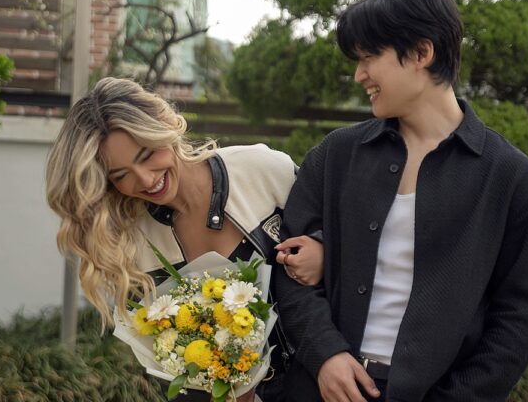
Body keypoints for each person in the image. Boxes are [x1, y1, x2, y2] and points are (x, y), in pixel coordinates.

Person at [273, 0, 528, 402]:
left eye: (369, 57)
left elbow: (518, 323)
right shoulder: (335, 156)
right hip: (319, 389)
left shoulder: (515, 181)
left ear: (422, 53)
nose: (358, 75)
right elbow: (286, 265)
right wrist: (325, 355)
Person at [45, 77, 323, 402]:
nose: (146, 180)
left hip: (323, 384)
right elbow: (177, 358)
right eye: (120, 175)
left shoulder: (260, 169)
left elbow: (347, 238)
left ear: (165, 127)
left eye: (147, 154)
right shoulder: (132, 246)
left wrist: (322, 248)